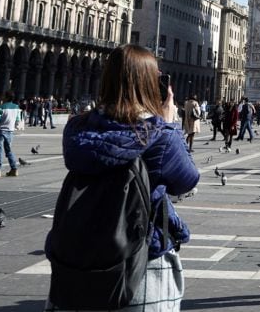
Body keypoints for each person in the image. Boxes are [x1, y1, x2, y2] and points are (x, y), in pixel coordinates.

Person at [45, 44, 198, 311]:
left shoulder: (77, 128)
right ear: (152, 85)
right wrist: (168, 122)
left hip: (76, 265)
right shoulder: (159, 135)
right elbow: (187, 179)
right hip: (140, 264)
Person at [0, 91, 22, 178]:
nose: (2, 97)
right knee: (8, 151)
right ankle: (14, 169)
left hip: (1, 131)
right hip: (10, 131)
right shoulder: (16, 107)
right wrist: (14, 126)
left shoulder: (1, 108)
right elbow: (18, 120)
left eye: (3, 96)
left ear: (7, 97)